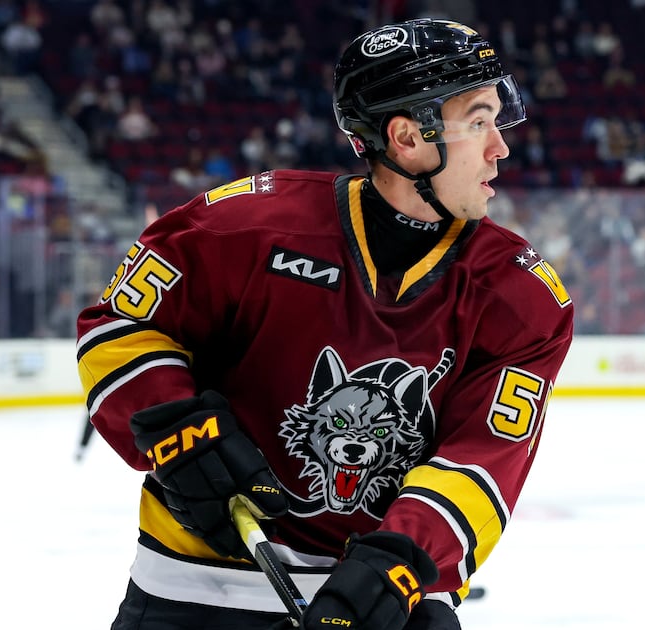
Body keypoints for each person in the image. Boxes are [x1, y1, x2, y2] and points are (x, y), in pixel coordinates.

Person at [75, 18, 574, 630]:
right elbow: (117, 325)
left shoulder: (521, 296)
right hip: (193, 591)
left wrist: (398, 564)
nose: (501, 147)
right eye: (478, 122)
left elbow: (481, 460)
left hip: (383, 604)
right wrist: (177, 428)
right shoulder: (243, 227)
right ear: (407, 137)